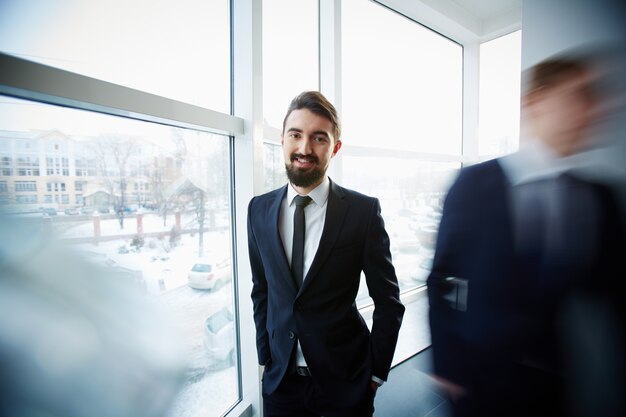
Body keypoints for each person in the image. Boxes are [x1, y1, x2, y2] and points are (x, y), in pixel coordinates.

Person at [427, 56, 625, 417]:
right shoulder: (474, 184)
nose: (591, 109)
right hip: (477, 379)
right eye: (577, 96)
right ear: (535, 102)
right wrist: (447, 364)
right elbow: (439, 278)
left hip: (554, 381)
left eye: (592, 98)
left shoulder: (599, 197)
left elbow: (612, 292)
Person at [248, 91, 405, 417]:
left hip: (345, 384)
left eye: (318, 138)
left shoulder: (362, 212)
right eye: (296, 135)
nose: (304, 148)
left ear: (335, 147)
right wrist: (265, 357)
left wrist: (375, 375)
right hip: (281, 385)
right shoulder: (258, 210)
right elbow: (262, 290)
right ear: (282, 140)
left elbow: (389, 302)